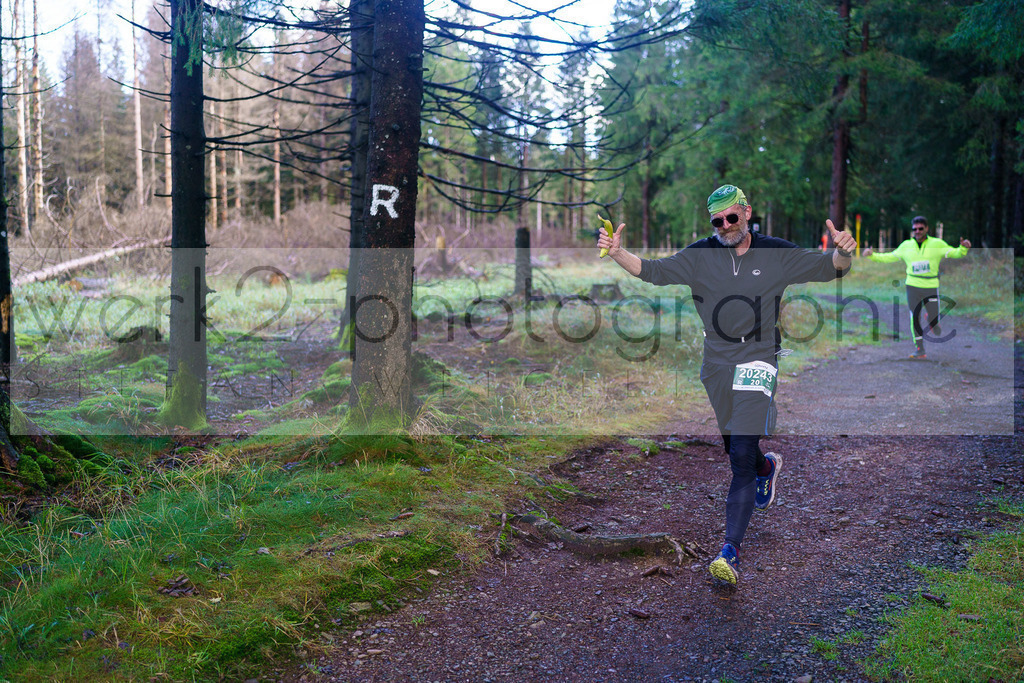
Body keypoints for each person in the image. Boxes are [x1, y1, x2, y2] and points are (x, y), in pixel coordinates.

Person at [596, 184, 856, 586]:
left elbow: (829, 269)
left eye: (732, 217)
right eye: (717, 221)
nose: (725, 226)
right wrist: (617, 254)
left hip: (758, 354)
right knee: (733, 445)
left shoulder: (774, 252)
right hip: (716, 360)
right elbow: (655, 272)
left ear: (747, 212)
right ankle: (767, 467)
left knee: (739, 454)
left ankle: (729, 551)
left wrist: (843, 250)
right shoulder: (701, 254)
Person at [863, 216, 970, 359]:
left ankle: (932, 321)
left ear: (926, 228)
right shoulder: (906, 245)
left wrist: (963, 248)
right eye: (915, 229)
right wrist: (872, 255)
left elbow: (954, 253)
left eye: (920, 228)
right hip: (912, 286)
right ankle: (920, 349)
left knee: (933, 318)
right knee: (914, 317)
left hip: (931, 286)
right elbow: (890, 257)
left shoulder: (937, 244)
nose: (917, 231)